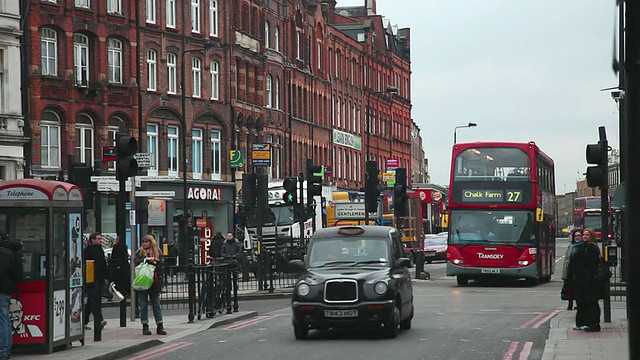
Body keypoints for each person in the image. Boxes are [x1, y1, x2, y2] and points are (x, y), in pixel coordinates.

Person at [567, 228, 602, 332]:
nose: (584, 237)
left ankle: (593, 324)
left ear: (591, 237)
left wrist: (588, 278)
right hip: (581, 280)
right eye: (584, 235)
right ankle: (585, 323)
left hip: (589, 280)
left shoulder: (591, 247)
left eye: (587, 235)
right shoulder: (584, 247)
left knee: (591, 302)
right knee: (583, 302)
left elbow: (590, 264)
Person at [135, 234, 166, 336]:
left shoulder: (158, 251)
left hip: (154, 281)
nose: (145, 244)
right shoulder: (139, 253)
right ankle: (145, 326)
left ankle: (160, 325)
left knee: (156, 304)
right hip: (143, 281)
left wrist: (155, 262)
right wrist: (145, 261)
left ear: (151, 242)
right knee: (143, 305)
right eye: (143, 242)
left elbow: (162, 265)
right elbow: (136, 264)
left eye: (147, 241)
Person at [0, 229, 23, 360]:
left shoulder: (4, 252)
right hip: (8, 289)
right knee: (5, 320)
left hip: (2, 289)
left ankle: (2, 351)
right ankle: (6, 349)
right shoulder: (12, 250)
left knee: (2, 320)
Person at [84, 232, 108, 330]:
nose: (100, 240)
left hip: (99, 278)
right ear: (92, 240)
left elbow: (103, 264)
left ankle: (85, 320)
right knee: (95, 300)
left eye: (100, 239)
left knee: (92, 301)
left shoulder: (100, 249)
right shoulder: (88, 250)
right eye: (98, 239)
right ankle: (99, 320)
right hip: (91, 279)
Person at [561, 229, 581, 310]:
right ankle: (570, 303)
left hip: (578, 272)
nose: (577, 237)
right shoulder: (571, 246)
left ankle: (578, 303)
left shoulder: (582, 246)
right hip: (569, 270)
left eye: (579, 236)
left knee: (578, 289)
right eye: (575, 236)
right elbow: (566, 259)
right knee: (569, 288)